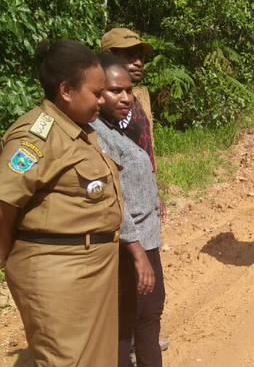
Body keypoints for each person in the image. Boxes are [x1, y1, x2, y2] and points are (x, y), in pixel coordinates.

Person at [0, 40, 122, 366]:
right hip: (57, 272)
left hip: (89, 269)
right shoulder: (36, 136)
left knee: (96, 359)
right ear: (66, 90)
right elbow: (4, 200)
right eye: (96, 93)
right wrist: (6, 254)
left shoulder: (79, 130)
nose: (102, 100)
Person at [92, 54, 165, 367]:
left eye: (128, 90)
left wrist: (154, 195)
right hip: (129, 244)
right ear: (96, 92)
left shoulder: (115, 128)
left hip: (145, 239)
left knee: (147, 315)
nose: (125, 97)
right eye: (114, 90)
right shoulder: (96, 135)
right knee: (127, 324)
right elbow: (112, 198)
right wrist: (137, 253)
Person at [101, 28, 156, 170]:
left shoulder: (133, 99)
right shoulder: (102, 103)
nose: (138, 63)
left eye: (141, 57)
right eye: (130, 55)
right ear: (109, 55)